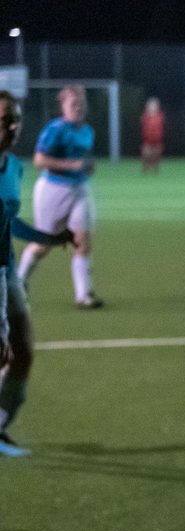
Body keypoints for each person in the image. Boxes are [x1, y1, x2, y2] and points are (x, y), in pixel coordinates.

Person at [0, 91, 76, 457]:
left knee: (23, 354)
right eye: (2, 120)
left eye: (14, 119)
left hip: (7, 270)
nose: (9, 127)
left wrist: (49, 237)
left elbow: (9, 221)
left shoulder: (13, 166)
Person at [15, 84, 102, 309]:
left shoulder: (87, 131)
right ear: (63, 106)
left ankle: (83, 295)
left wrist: (86, 168)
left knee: (82, 240)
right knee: (43, 244)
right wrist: (71, 164)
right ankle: (18, 283)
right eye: (73, 103)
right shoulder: (55, 129)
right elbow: (40, 160)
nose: (78, 107)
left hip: (79, 189)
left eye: (81, 103)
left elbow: (82, 160)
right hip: (53, 191)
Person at [140, 97, 165, 174]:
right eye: (151, 105)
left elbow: (161, 127)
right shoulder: (145, 116)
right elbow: (144, 126)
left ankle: (155, 167)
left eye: (154, 105)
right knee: (146, 154)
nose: (152, 107)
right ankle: (145, 166)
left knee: (156, 155)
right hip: (147, 139)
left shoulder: (160, 116)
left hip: (158, 139)